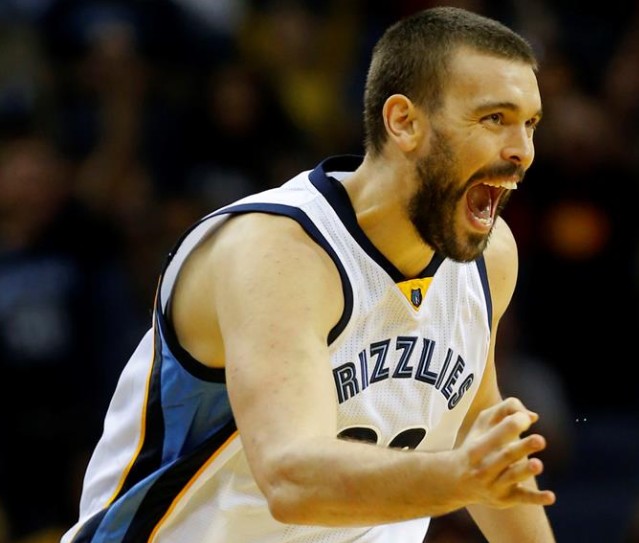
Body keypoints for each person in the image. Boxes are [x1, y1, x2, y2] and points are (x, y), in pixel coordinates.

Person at [61, 6, 556, 543]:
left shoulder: (489, 256)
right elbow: (291, 477)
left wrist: (474, 473)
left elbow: (471, 428)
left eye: (530, 124)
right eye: (494, 119)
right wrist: (457, 477)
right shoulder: (276, 252)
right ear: (404, 122)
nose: (522, 152)